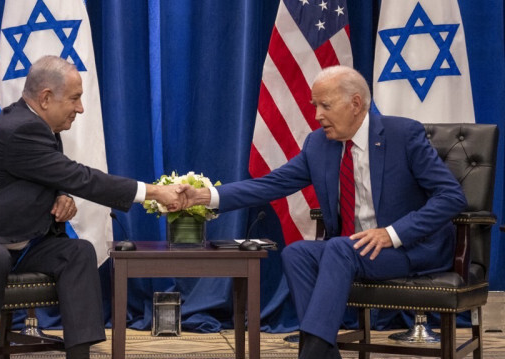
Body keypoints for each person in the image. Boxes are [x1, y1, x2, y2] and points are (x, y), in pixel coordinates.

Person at [179, 66, 467, 358]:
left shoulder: (403, 134)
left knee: (340, 247)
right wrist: (203, 196)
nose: (317, 115)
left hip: (410, 247)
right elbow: (271, 184)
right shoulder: (319, 144)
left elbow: (451, 196)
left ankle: (312, 350)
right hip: (352, 250)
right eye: (315, 105)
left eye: (325, 105)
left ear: (355, 104)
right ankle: (322, 353)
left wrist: (392, 234)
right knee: (297, 253)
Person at [0, 55, 184, 359]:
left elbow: (47, 174)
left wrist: (60, 193)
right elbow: (78, 176)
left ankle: (79, 353)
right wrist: (153, 192)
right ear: (46, 98)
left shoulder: (41, 126)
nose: (80, 108)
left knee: (78, 252)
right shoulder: (20, 128)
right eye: (75, 98)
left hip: (17, 238)